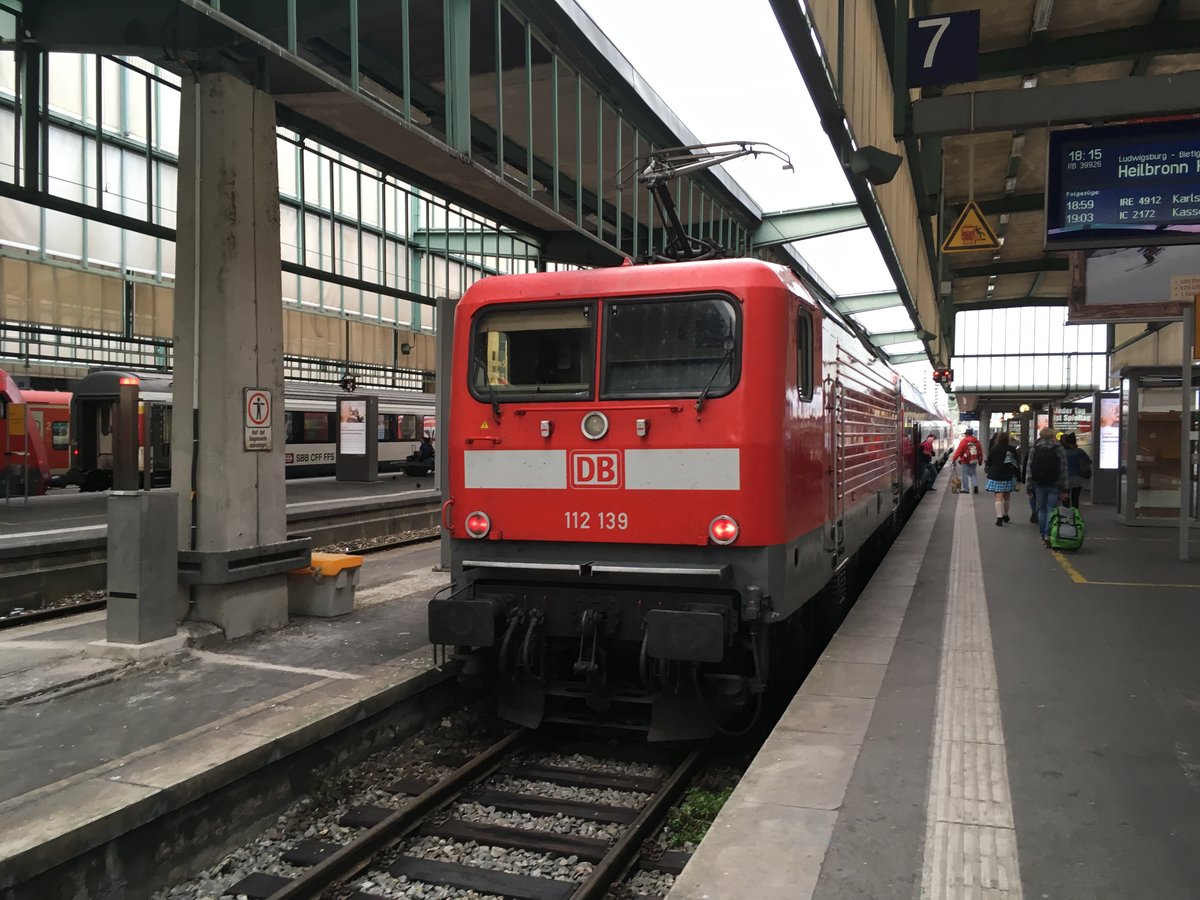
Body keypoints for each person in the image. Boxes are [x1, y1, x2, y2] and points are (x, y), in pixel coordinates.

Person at [1024, 426, 1069, 545]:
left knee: (1042, 509)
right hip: (1055, 484)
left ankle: (1042, 535)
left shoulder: (1035, 448)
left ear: (1040, 435)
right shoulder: (1059, 448)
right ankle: (1049, 534)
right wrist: (1065, 489)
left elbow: (1029, 469)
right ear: (1053, 436)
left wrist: (1029, 486)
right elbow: (1064, 470)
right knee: (1052, 509)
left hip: (1039, 484)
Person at [985, 432, 1021, 526]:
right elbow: (1016, 464)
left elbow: (989, 462)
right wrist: (1019, 479)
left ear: (998, 439)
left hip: (996, 475)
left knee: (998, 497)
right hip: (1008, 474)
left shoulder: (994, 448)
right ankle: (1006, 515)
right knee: (1007, 496)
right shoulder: (1011, 449)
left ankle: (999, 518)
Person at [1061, 432, 1092, 508]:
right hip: (1077, 478)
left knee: (1065, 497)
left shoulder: (1061, 452)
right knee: (1075, 497)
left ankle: (1067, 515)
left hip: (1065, 479)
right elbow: (1089, 462)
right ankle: (1075, 513)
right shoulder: (1079, 451)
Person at [950, 427, 983, 495]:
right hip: (974, 459)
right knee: (973, 473)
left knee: (965, 474)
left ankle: (966, 489)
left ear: (966, 434)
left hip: (965, 460)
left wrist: (954, 459)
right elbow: (980, 452)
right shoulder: (977, 441)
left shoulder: (964, 441)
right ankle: (975, 485)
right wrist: (980, 460)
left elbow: (959, 451)